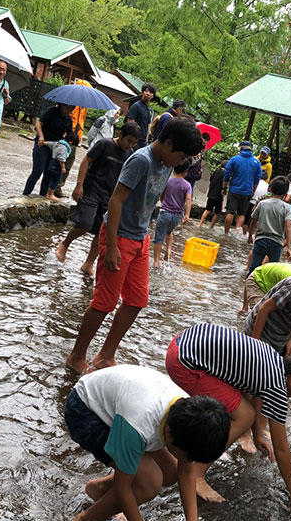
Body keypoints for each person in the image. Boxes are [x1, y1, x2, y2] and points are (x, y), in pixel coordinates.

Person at [66, 118, 204, 375]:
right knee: (104, 302)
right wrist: (111, 248)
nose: (181, 162)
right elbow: (116, 200)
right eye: (181, 155)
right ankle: (76, 356)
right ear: (168, 144)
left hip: (140, 237)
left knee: (137, 301)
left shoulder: (165, 163)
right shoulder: (141, 160)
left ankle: (106, 355)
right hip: (119, 236)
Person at [65, 364, 230, 521]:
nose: (187, 462)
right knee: (148, 483)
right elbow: (125, 489)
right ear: (169, 433)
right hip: (86, 412)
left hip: (119, 409)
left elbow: (185, 471)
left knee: (170, 473)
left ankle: (101, 490)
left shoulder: (189, 413)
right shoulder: (139, 424)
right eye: (186, 455)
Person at [165, 322, 291, 507]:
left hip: (182, 342)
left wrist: (258, 433)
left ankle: (192, 442)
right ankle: (196, 475)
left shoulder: (273, 360)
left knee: (244, 410)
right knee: (245, 416)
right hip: (184, 363)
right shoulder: (277, 387)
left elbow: (255, 392)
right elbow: (282, 448)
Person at [55, 120, 140, 275]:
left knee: (101, 232)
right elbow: (86, 160)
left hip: (110, 197)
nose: (130, 145)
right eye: (128, 141)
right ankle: (65, 244)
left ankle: (88, 263)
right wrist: (79, 185)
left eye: (134, 143)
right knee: (85, 223)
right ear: (120, 134)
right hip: (91, 190)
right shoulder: (105, 144)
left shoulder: (130, 154)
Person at [22, 103, 74, 196]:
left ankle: (43, 196)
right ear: (62, 105)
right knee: (37, 171)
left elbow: (70, 135)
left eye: (72, 108)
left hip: (55, 147)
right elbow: (38, 124)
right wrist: (41, 136)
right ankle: (25, 194)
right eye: (68, 107)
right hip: (42, 144)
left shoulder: (68, 120)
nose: (70, 110)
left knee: (49, 173)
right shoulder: (51, 111)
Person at [247, 175, 291, 274]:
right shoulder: (287, 207)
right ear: (285, 193)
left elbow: (253, 221)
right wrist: (289, 248)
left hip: (260, 240)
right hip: (276, 243)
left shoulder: (262, 204)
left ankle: (246, 288)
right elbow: (288, 227)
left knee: (252, 270)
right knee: (271, 273)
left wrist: (250, 236)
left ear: (270, 189)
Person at [153, 161, 192, 267]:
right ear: (186, 172)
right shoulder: (187, 185)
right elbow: (188, 199)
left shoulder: (167, 180)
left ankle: (156, 262)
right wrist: (187, 214)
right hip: (177, 216)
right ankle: (168, 252)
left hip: (165, 212)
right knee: (169, 231)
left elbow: (161, 194)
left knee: (159, 237)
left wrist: (163, 201)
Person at [222, 140, 262, 234]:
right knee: (242, 213)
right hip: (247, 192)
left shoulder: (234, 159)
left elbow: (227, 174)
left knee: (230, 212)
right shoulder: (256, 162)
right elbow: (257, 178)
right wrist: (253, 190)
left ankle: (226, 233)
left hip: (234, 190)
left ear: (241, 148)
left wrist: (224, 188)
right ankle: (236, 231)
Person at [45, 131, 79, 201]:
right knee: (55, 180)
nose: (72, 147)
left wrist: (43, 143)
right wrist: (63, 168)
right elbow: (61, 160)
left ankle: (48, 193)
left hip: (52, 163)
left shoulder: (58, 143)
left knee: (51, 179)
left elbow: (49, 144)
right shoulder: (64, 148)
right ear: (70, 143)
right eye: (73, 146)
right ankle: (50, 195)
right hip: (57, 166)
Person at [199, 159, 227, 229]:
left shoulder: (216, 171)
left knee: (207, 210)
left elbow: (211, 179)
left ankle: (200, 224)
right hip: (218, 195)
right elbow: (224, 184)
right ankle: (211, 227)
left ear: (221, 165)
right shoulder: (225, 174)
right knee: (217, 213)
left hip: (211, 194)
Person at [126, 82, 156, 149]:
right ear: (142, 92)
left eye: (150, 92)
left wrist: (146, 140)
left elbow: (148, 125)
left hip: (143, 143)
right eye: (146, 91)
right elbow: (130, 124)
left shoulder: (150, 109)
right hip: (134, 142)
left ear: (153, 95)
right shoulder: (136, 106)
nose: (148, 93)